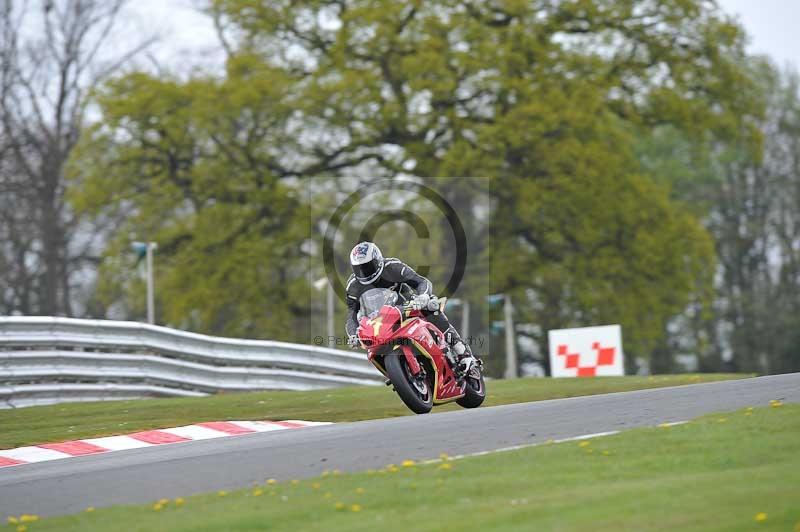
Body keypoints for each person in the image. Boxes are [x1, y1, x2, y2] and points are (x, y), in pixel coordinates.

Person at [344, 241, 476, 369]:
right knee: (370, 346)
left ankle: (461, 350)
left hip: (408, 306)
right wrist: (353, 334)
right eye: (359, 268)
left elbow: (421, 281)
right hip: (381, 321)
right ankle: (400, 371)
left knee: (431, 306)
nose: (364, 272)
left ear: (377, 260)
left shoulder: (392, 266)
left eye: (367, 266)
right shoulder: (353, 286)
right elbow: (352, 314)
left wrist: (423, 296)